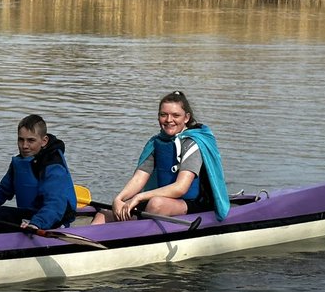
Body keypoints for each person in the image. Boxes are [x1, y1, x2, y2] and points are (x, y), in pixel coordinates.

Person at [93, 90, 230, 224]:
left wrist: (139, 197)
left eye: (175, 115)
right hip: (163, 201)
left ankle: (128, 234)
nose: (169, 120)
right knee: (103, 214)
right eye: (163, 115)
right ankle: (82, 245)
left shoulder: (192, 143)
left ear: (186, 118)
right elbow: (139, 178)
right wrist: (119, 199)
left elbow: (180, 188)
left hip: (195, 203)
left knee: (156, 203)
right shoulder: (156, 143)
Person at [0, 114, 77, 231]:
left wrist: (36, 224)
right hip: (30, 217)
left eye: (31, 140)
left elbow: (55, 204)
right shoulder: (20, 162)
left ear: (44, 141)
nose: (24, 146)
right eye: (21, 140)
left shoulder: (53, 166)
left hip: (52, 220)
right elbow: (0, 192)